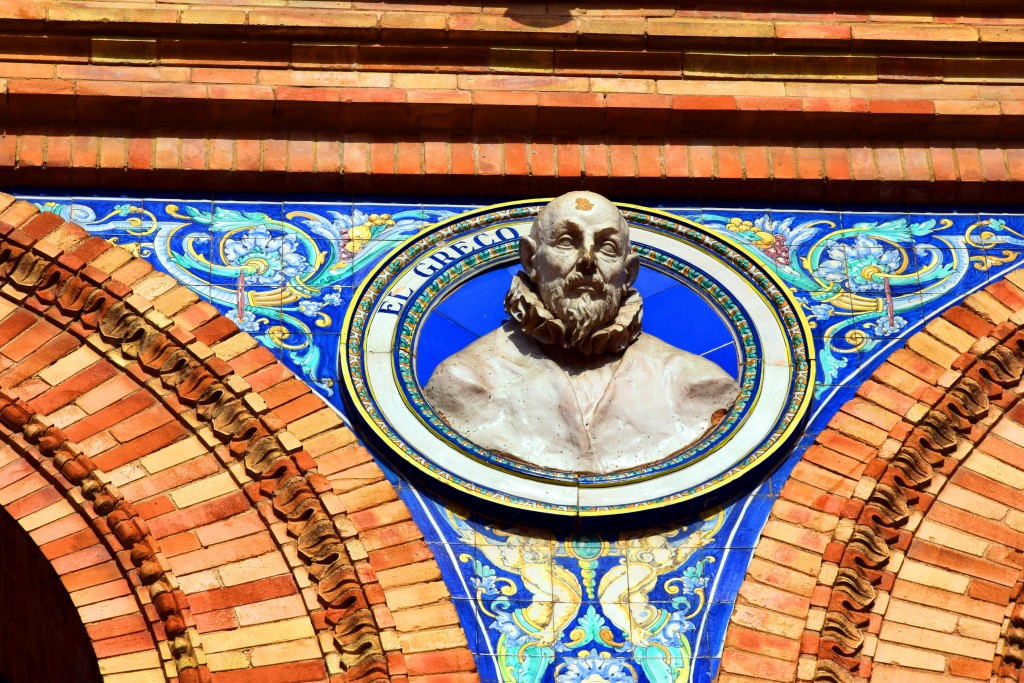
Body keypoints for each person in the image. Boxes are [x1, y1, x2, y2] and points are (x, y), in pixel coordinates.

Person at [423, 191, 738, 475]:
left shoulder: (693, 383)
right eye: (566, 243)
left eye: (607, 248)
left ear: (628, 272)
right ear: (530, 259)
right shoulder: (465, 380)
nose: (587, 261)